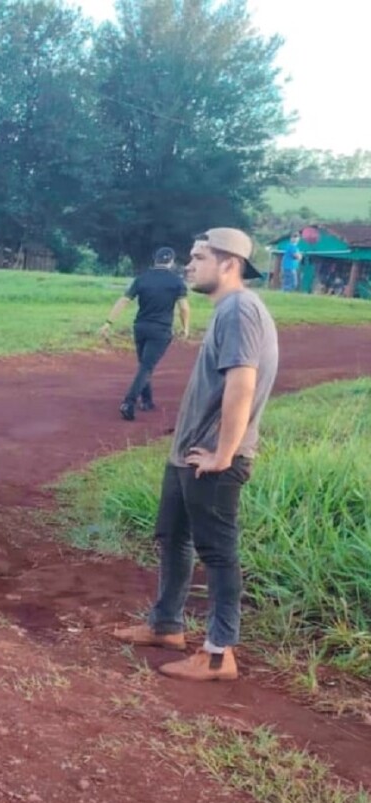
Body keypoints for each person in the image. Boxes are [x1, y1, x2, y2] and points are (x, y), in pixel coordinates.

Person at [111, 228, 278, 682]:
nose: (189, 264)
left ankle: (219, 654)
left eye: (200, 257)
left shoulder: (240, 309)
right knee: (173, 536)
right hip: (189, 452)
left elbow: (242, 382)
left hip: (213, 455)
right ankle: (166, 626)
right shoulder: (228, 310)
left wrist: (224, 454)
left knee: (217, 552)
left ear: (229, 264)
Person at [100, 246, 191, 420]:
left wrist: (108, 322)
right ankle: (129, 402)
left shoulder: (142, 279)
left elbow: (123, 301)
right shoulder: (176, 282)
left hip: (140, 327)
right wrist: (185, 327)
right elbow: (184, 308)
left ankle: (147, 401)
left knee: (144, 364)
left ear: (154, 259)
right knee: (146, 367)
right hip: (161, 330)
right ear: (171, 262)